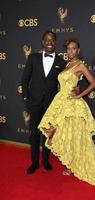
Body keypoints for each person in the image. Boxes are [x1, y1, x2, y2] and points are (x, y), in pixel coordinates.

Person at [38, 38, 95, 188]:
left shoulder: (80, 65)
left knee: (73, 135)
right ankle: (69, 164)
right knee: (64, 134)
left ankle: (73, 165)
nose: (70, 51)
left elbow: (93, 82)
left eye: (73, 49)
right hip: (60, 102)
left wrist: (79, 95)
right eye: (68, 49)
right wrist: (74, 90)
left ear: (78, 50)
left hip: (72, 106)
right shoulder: (67, 64)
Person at [21, 31, 67, 174]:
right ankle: (34, 162)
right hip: (34, 103)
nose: (50, 42)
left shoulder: (61, 62)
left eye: (52, 40)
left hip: (51, 105)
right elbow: (24, 79)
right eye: (47, 40)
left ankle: (45, 160)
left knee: (48, 134)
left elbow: (65, 83)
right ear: (42, 41)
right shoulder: (33, 58)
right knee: (34, 133)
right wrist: (26, 98)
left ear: (56, 42)